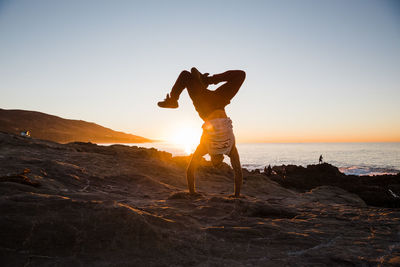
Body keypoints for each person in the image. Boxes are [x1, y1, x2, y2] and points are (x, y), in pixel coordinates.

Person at [158, 67, 246, 197]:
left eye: (214, 163)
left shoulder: (207, 148)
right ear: (222, 158)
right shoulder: (229, 150)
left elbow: (190, 170)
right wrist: (236, 195)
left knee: (186, 75)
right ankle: (207, 80)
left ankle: (175, 99)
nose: (216, 163)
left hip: (206, 105)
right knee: (240, 75)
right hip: (219, 102)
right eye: (218, 163)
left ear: (211, 157)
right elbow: (238, 173)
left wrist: (193, 192)